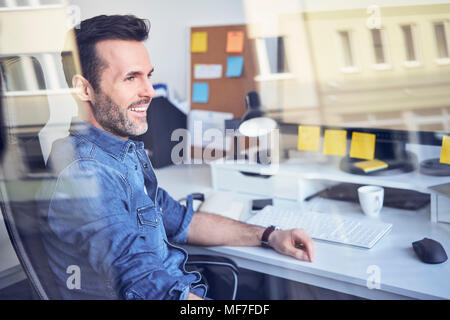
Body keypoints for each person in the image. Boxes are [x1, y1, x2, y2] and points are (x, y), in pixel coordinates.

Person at [38, 14, 314, 300]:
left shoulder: (121, 153)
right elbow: (149, 288)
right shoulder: (86, 173)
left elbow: (181, 220)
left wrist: (268, 235)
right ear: (84, 89)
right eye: (131, 78)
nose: (148, 91)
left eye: (148, 75)